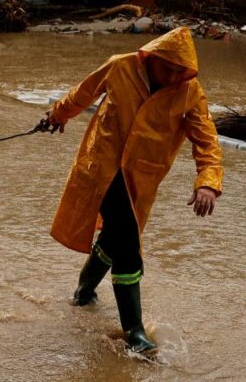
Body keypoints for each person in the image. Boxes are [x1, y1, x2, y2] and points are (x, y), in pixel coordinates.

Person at [44, 26, 223, 355]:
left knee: (114, 236)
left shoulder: (190, 92)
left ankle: (83, 291)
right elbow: (83, 93)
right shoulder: (120, 66)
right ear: (150, 57)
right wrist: (58, 114)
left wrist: (208, 182)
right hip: (103, 167)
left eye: (178, 71)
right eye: (166, 67)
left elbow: (207, 142)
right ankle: (135, 333)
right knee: (127, 243)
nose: (171, 76)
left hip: (141, 178)